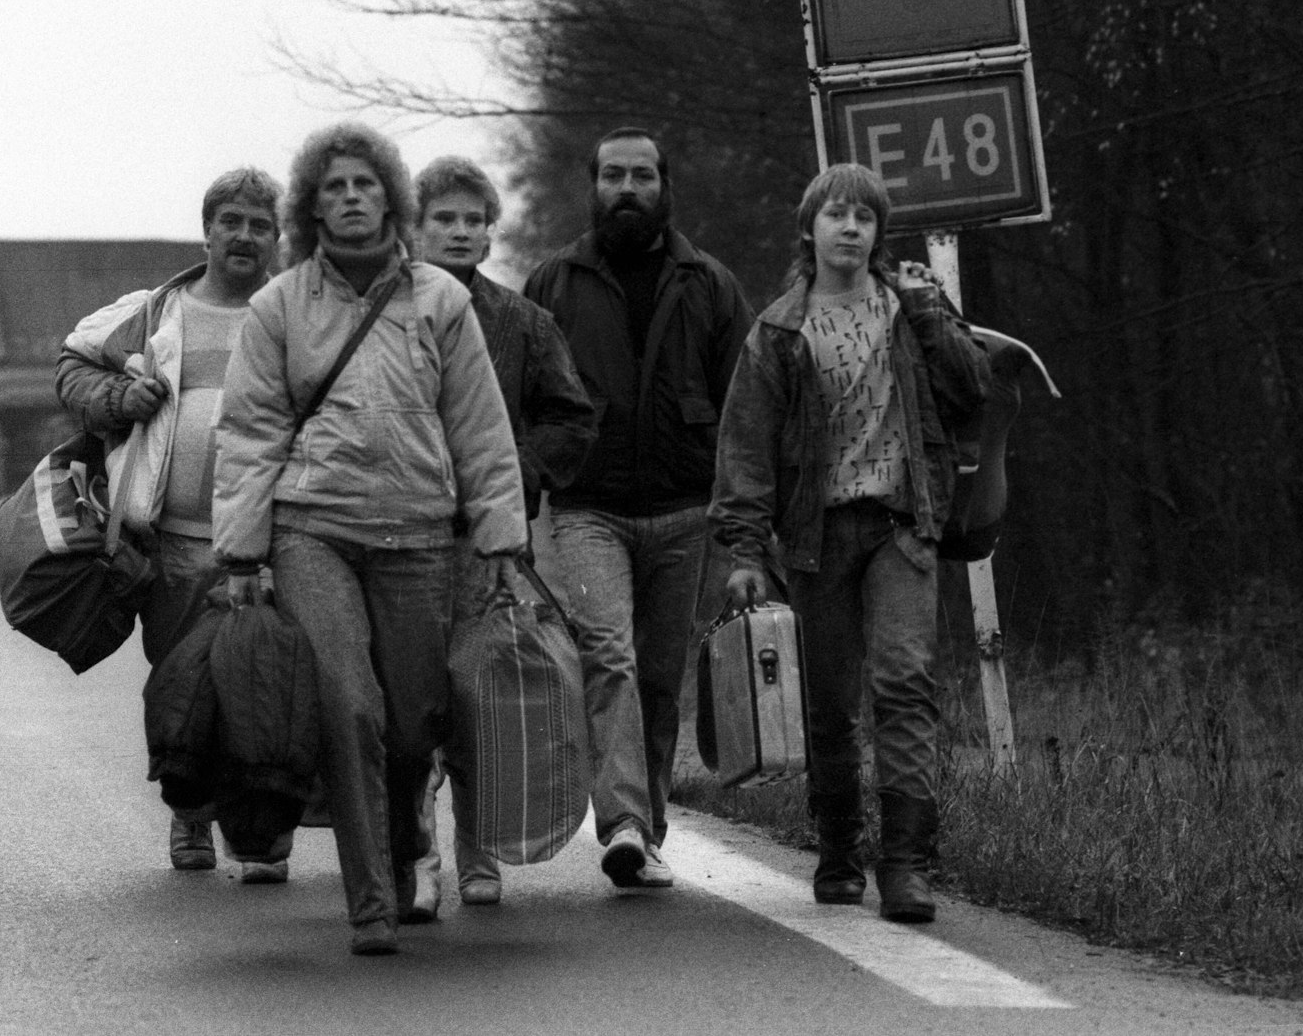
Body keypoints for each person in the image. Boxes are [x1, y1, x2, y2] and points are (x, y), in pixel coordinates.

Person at [213, 123, 526, 956]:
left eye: (364, 184)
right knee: (348, 703)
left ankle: (401, 841)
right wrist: (242, 552)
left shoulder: (441, 300)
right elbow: (248, 430)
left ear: (392, 196)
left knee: (416, 718)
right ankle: (371, 901)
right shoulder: (278, 306)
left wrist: (499, 535)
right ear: (310, 206)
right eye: (333, 187)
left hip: (422, 532)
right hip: (314, 528)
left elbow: (481, 427)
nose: (350, 197)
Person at [709, 163, 989, 923]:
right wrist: (743, 551)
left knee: (904, 685)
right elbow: (745, 447)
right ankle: (839, 850)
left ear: (878, 230)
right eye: (836, 213)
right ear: (811, 228)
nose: (851, 227)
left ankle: (907, 864)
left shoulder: (911, 308)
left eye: (865, 216)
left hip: (903, 523)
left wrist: (933, 313)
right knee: (831, 704)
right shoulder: (777, 330)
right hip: (816, 537)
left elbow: (975, 390)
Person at [522, 126, 754, 889]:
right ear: (592, 185)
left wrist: (743, 514)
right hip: (586, 508)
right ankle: (620, 819)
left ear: (664, 186)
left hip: (685, 509)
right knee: (610, 657)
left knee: (659, 674)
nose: (628, 188)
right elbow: (526, 403)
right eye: (614, 175)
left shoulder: (711, 284)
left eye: (643, 175)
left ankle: (646, 825)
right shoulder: (552, 283)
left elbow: (742, 405)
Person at [53, 167, 282, 875]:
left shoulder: (293, 311)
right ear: (207, 230)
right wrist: (120, 396)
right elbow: (70, 367)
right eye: (231, 221)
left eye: (259, 224)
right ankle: (190, 817)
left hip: (275, 541)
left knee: (263, 683)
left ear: (277, 237)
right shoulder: (155, 310)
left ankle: (260, 829)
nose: (244, 235)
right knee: (183, 682)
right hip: (174, 542)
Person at [410, 154, 595, 909]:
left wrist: (511, 468)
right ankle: (413, 851)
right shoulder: (387, 314)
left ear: (490, 236)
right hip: (403, 538)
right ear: (413, 230)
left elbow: (572, 417)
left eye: (472, 220)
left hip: (489, 542)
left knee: (481, 692)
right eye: (443, 218)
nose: (458, 231)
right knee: (412, 700)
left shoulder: (524, 322)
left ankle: (477, 844)